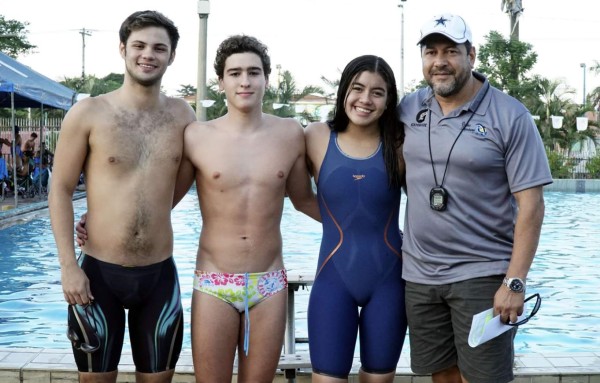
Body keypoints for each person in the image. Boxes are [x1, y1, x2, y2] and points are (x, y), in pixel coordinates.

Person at [397, 13, 552, 382]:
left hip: (482, 275)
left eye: (451, 51)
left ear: (472, 55)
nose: (440, 62)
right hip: (420, 275)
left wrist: (514, 282)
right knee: (442, 376)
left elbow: (531, 206)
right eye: (431, 52)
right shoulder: (408, 109)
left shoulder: (510, 115)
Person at [49, 10, 196, 383]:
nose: (148, 54)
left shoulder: (184, 115)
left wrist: (138, 215)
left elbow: (177, 186)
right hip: (97, 275)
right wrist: (69, 265)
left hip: (159, 274)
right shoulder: (89, 113)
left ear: (172, 56)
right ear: (123, 49)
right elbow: (60, 188)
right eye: (140, 45)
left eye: (159, 48)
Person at [172, 34, 320, 383]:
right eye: (235, 73)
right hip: (214, 281)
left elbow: (304, 201)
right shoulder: (197, 135)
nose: (245, 81)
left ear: (266, 79)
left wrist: (365, 224)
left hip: (269, 283)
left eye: (254, 72)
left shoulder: (290, 133)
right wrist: (99, 219)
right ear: (221, 81)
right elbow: (165, 202)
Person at [304, 55, 407, 382]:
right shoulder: (316, 137)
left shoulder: (400, 143)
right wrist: (344, 224)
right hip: (333, 278)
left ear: (388, 100)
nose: (365, 99)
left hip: (390, 281)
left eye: (378, 92)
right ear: (344, 91)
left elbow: (424, 203)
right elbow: (298, 198)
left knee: (378, 377)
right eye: (357, 88)